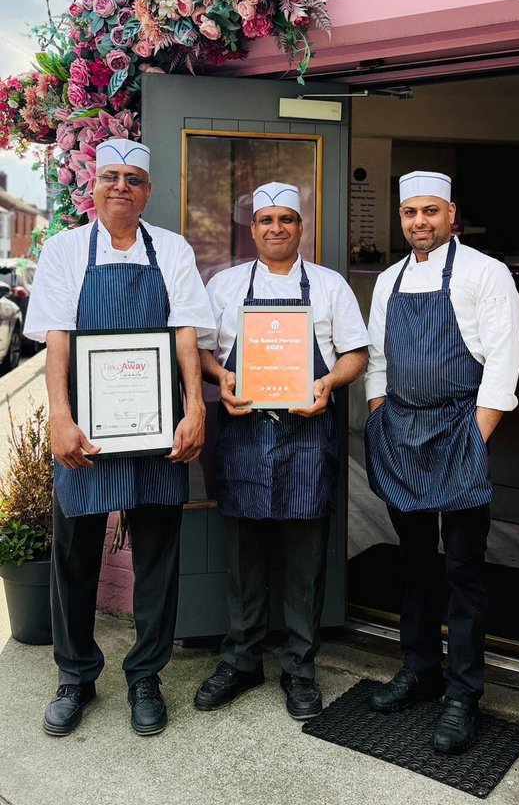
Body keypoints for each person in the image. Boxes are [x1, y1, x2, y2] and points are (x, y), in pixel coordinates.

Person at [24, 138, 215, 739]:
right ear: (94, 185)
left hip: (159, 426)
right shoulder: (64, 250)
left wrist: (194, 409)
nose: (121, 187)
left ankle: (145, 676)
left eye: (134, 178)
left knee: (158, 554)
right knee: (75, 552)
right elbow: (58, 336)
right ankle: (75, 675)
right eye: (111, 176)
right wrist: (59, 416)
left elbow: (186, 332)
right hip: (86, 425)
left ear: (148, 191)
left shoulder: (173, 249)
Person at [193, 181, 369, 720]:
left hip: (307, 435)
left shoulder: (329, 285)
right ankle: (242, 660)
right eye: (266, 219)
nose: (276, 228)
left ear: (301, 226)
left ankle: (299, 668)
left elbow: (355, 353)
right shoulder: (223, 285)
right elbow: (200, 351)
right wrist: (221, 377)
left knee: (303, 560)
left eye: (286, 219)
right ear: (253, 228)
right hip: (243, 433)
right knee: (243, 556)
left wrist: (328, 385)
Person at [364, 170, 519, 754]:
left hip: (459, 429)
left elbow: (503, 366)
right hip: (401, 430)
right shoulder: (388, 280)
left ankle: (463, 693)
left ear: (452, 213)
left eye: (430, 211)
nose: (419, 223)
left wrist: (474, 441)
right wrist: (381, 415)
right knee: (414, 564)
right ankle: (419, 668)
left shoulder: (486, 273)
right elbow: (378, 358)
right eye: (410, 213)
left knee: (463, 571)